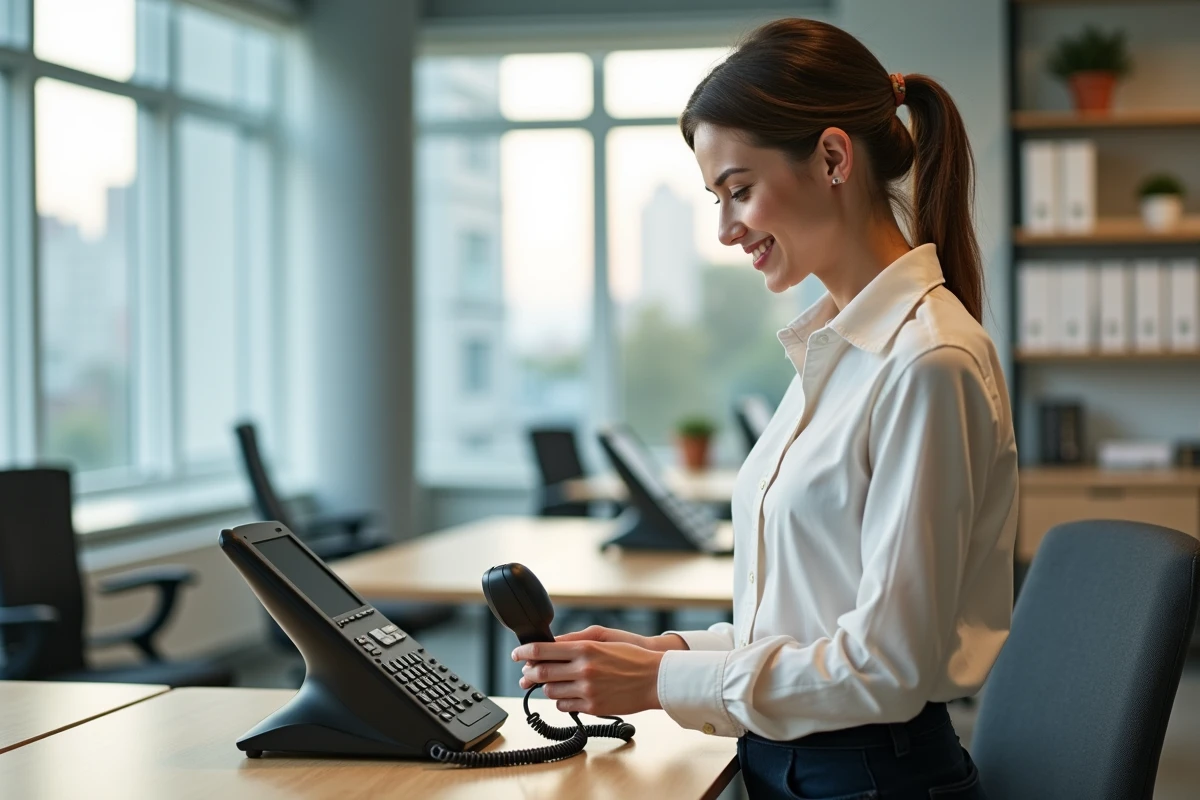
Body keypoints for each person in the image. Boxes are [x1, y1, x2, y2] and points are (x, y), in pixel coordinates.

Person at [512, 17, 1017, 799]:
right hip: (800, 765)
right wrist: (663, 655)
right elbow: (808, 629)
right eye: (717, 198)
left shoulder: (926, 362)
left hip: (865, 777)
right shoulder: (834, 353)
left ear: (832, 157)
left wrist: (663, 683)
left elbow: (883, 670)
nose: (724, 229)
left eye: (739, 191)